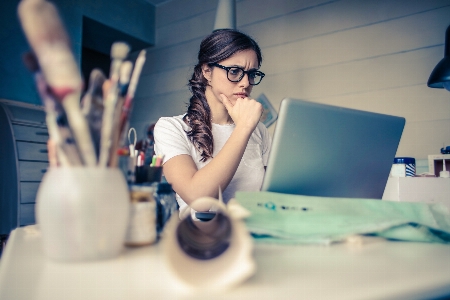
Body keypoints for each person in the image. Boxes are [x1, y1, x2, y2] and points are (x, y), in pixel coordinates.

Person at [154, 29, 271, 219]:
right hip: (200, 241)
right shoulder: (171, 128)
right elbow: (199, 198)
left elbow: (271, 197)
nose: (245, 83)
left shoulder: (259, 131)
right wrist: (243, 128)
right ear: (207, 71)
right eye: (234, 71)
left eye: (251, 74)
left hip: (254, 239)